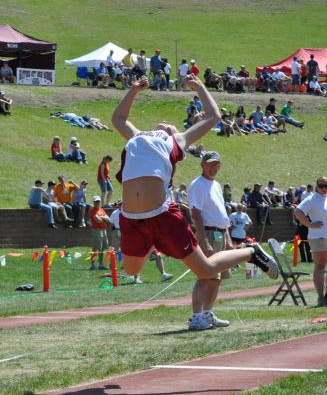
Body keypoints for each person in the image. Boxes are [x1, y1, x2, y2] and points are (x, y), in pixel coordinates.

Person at [110, 74, 278, 286]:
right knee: (131, 268)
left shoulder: (176, 140)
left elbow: (213, 117)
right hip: (132, 218)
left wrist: (199, 87)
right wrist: (134, 90)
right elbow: (118, 119)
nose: (164, 123)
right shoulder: (136, 136)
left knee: (205, 269)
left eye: (169, 124)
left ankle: (249, 252)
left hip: (162, 215)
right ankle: (154, 241)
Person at [187, 151, 232, 330]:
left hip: (221, 234)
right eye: (210, 164)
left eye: (217, 164)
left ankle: (207, 313)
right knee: (205, 276)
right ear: (202, 165)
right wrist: (203, 240)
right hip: (209, 234)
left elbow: (221, 212)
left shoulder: (216, 185)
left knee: (217, 278)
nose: (214, 167)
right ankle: (196, 316)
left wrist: (227, 236)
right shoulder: (197, 185)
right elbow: (196, 213)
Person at [293, 177, 327, 306]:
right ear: (316, 186)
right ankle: (320, 297)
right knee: (320, 267)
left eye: (326, 185)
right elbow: (298, 212)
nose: (324, 188)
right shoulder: (312, 199)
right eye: (321, 185)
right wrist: (309, 224)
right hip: (319, 237)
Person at [88, 196, 110, 270]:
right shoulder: (92, 210)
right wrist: (104, 218)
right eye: (96, 201)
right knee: (96, 248)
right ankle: (92, 264)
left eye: (98, 201)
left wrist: (102, 218)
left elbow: (108, 219)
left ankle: (101, 264)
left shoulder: (101, 209)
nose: (97, 203)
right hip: (97, 230)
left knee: (103, 247)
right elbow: (98, 220)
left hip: (104, 230)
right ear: (94, 202)